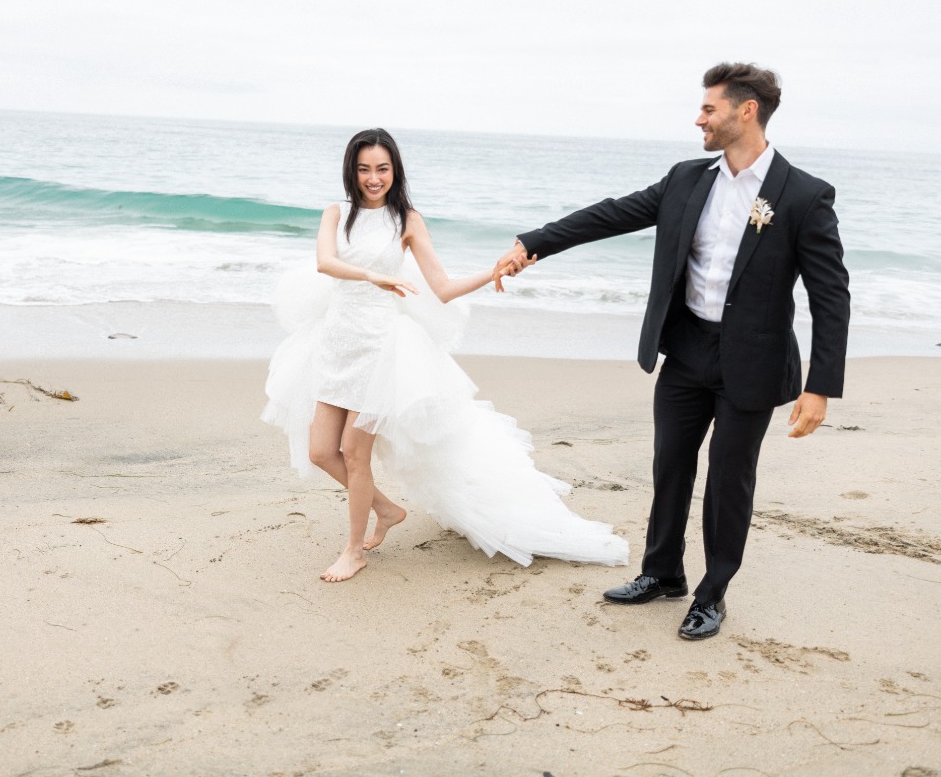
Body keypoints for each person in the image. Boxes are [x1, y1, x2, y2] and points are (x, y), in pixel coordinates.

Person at [495, 63, 850, 639]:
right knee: (670, 468)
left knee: (729, 480)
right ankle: (662, 573)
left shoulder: (804, 195)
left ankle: (712, 593)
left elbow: (831, 295)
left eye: (709, 108)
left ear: (746, 111)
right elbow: (610, 214)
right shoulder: (687, 178)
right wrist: (533, 243)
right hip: (687, 350)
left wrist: (820, 385)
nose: (699, 118)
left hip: (752, 363)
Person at [263, 128, 628, 582]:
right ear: (351, 171)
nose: (373, 178)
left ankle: (354, 551)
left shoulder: (407, 220)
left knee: (356, 455)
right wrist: (371, 276)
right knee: (321, 451)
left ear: (395, 171)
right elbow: (325, 263)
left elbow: (442, 287)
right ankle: (385, 508)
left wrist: (493, 271)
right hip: (338, 340)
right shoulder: (337, 214)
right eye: (364, 169)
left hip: (380, 348)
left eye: (382, 169)